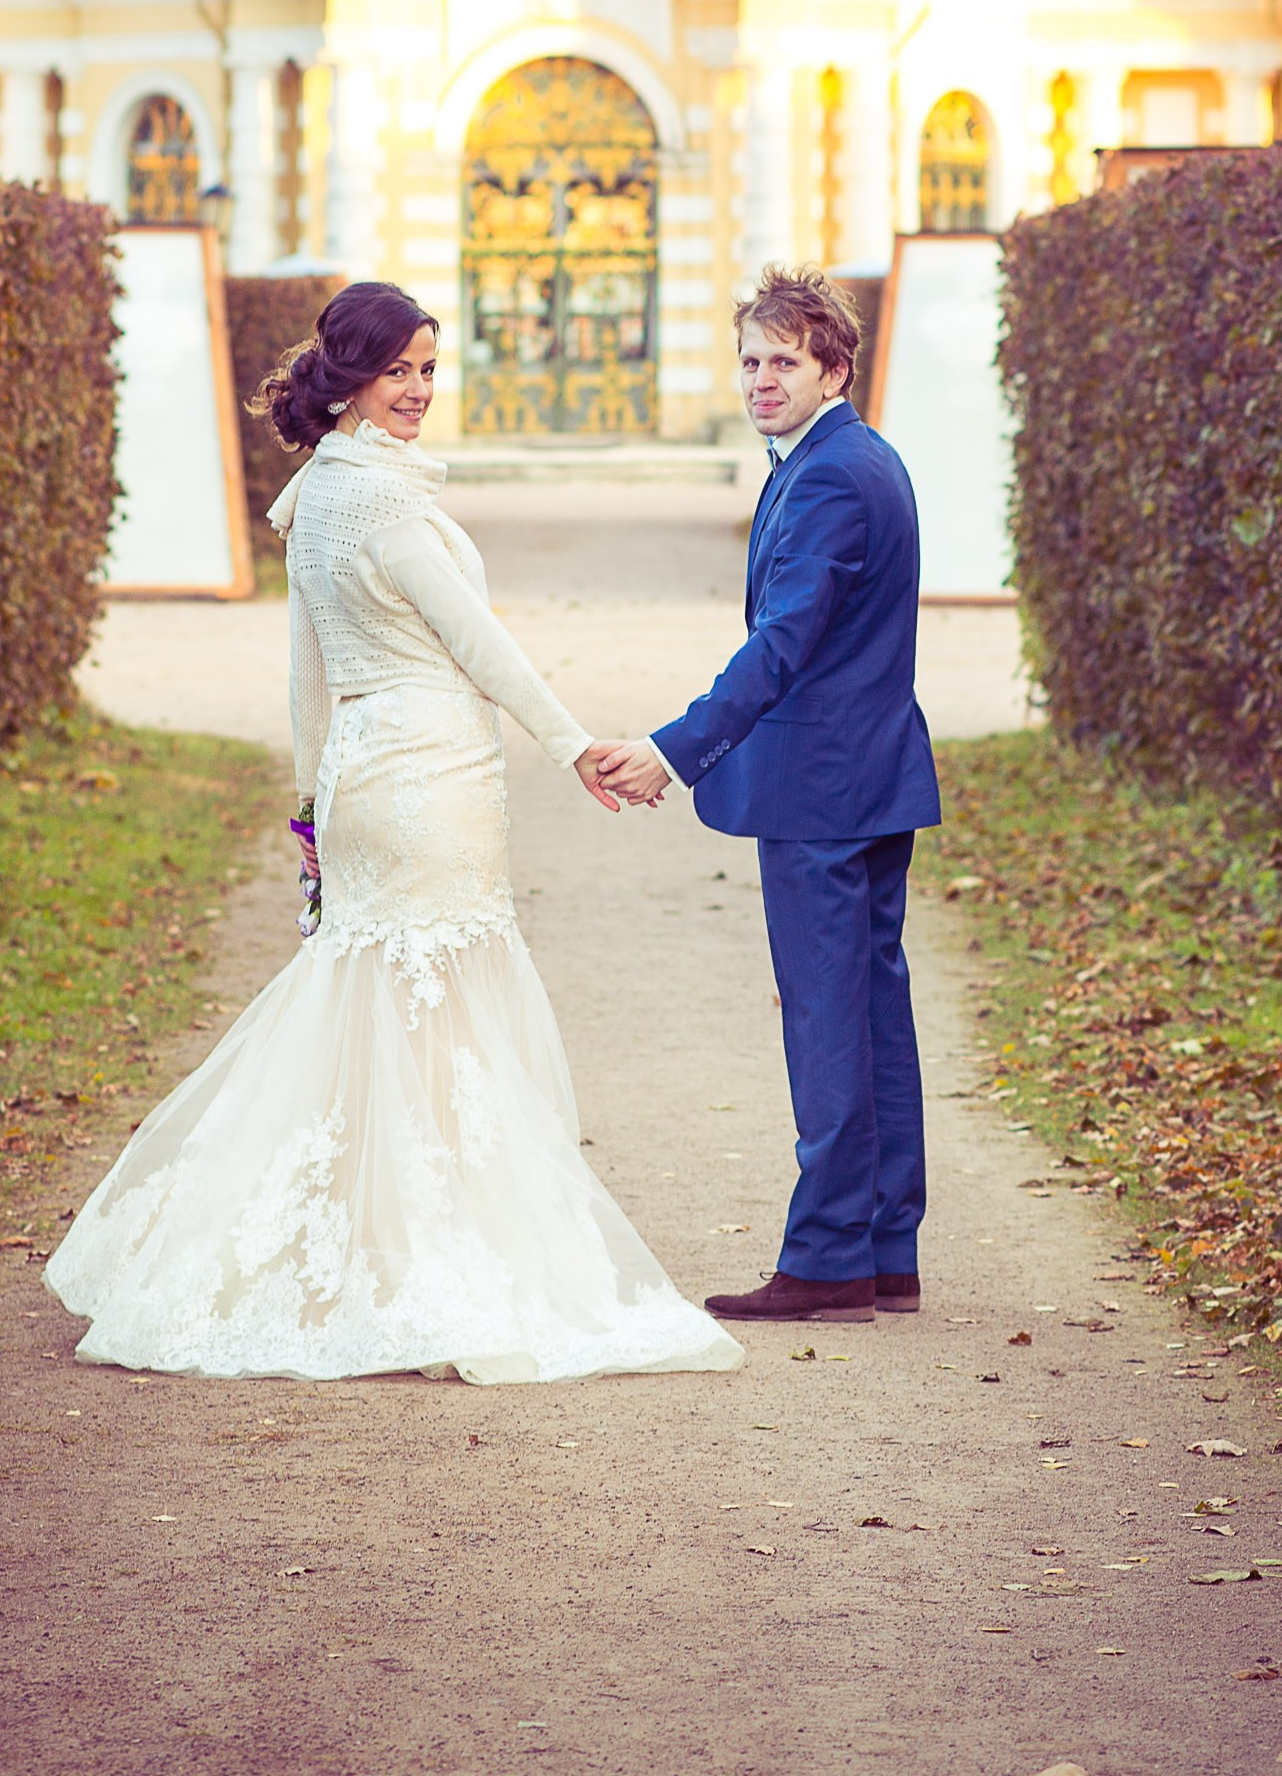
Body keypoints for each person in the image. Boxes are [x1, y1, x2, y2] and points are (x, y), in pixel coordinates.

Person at [46, 282, 742, 1388]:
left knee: (375, 1003)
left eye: (427, 369)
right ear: (350, 379)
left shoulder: (317, 491)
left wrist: (310, 805)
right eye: (397, 372)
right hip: (429, 778)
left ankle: (362, 1245)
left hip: (366, 776)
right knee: (437, 1014)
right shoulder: (381, 504)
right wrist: (575, 748)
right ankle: (426, 1260)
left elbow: (307, 674)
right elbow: (481, 646)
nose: (418, 391)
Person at [598, 266, 940, 1326]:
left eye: (782, 361)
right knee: (870, 1009)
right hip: (864, 778)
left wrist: (673, 750)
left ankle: (832, 1256)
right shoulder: (854, 456)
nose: (759, 380)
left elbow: (782, 643)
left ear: (834, 368)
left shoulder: (831, 477)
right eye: (749, 361)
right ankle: (883, 1249)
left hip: (822, 793)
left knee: (831, 1019)